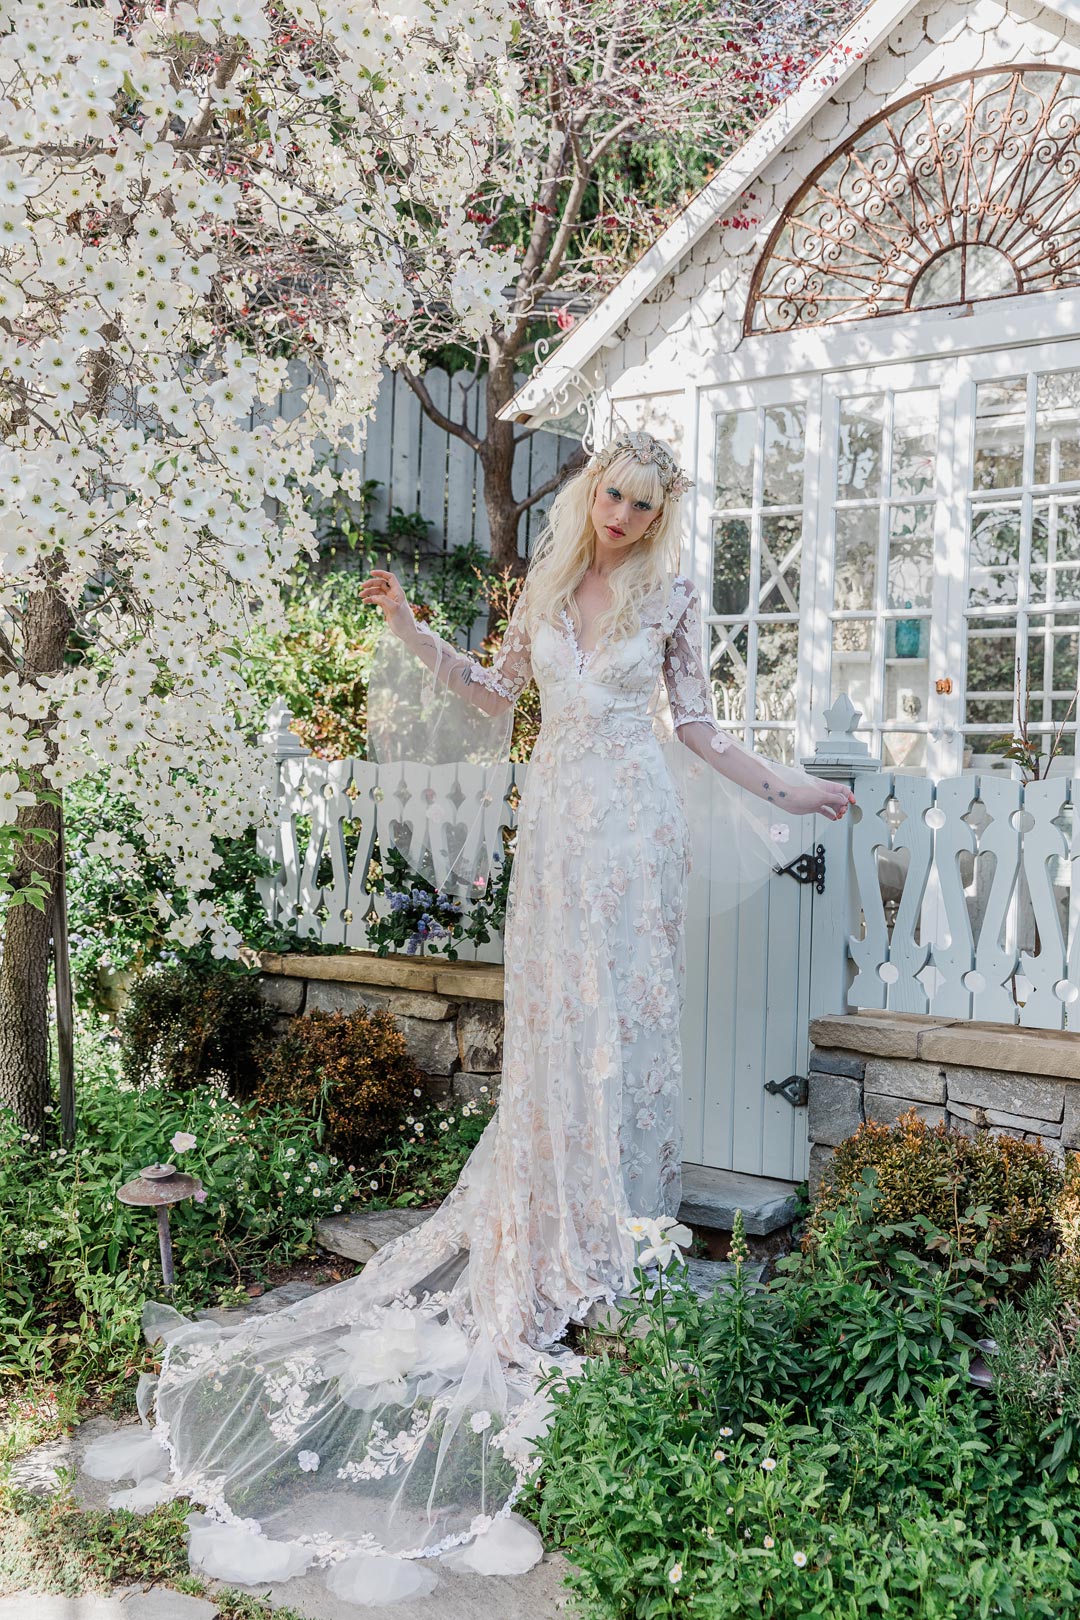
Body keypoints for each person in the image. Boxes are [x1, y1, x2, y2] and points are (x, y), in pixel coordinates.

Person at [86, 431, 852, 1609]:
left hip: (636, 834)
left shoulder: (677, 593)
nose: (626, 518)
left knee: (629, 1038)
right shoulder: (545, 586)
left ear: (664, 512)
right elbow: (497, 694)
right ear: (592, 489)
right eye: (614, 495)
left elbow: (696, 728)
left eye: (647, 505)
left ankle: (617, 1235)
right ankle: (548, 1216)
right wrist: (406, 627)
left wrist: (791, 787)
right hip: (553, 835)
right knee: (557, 1034)